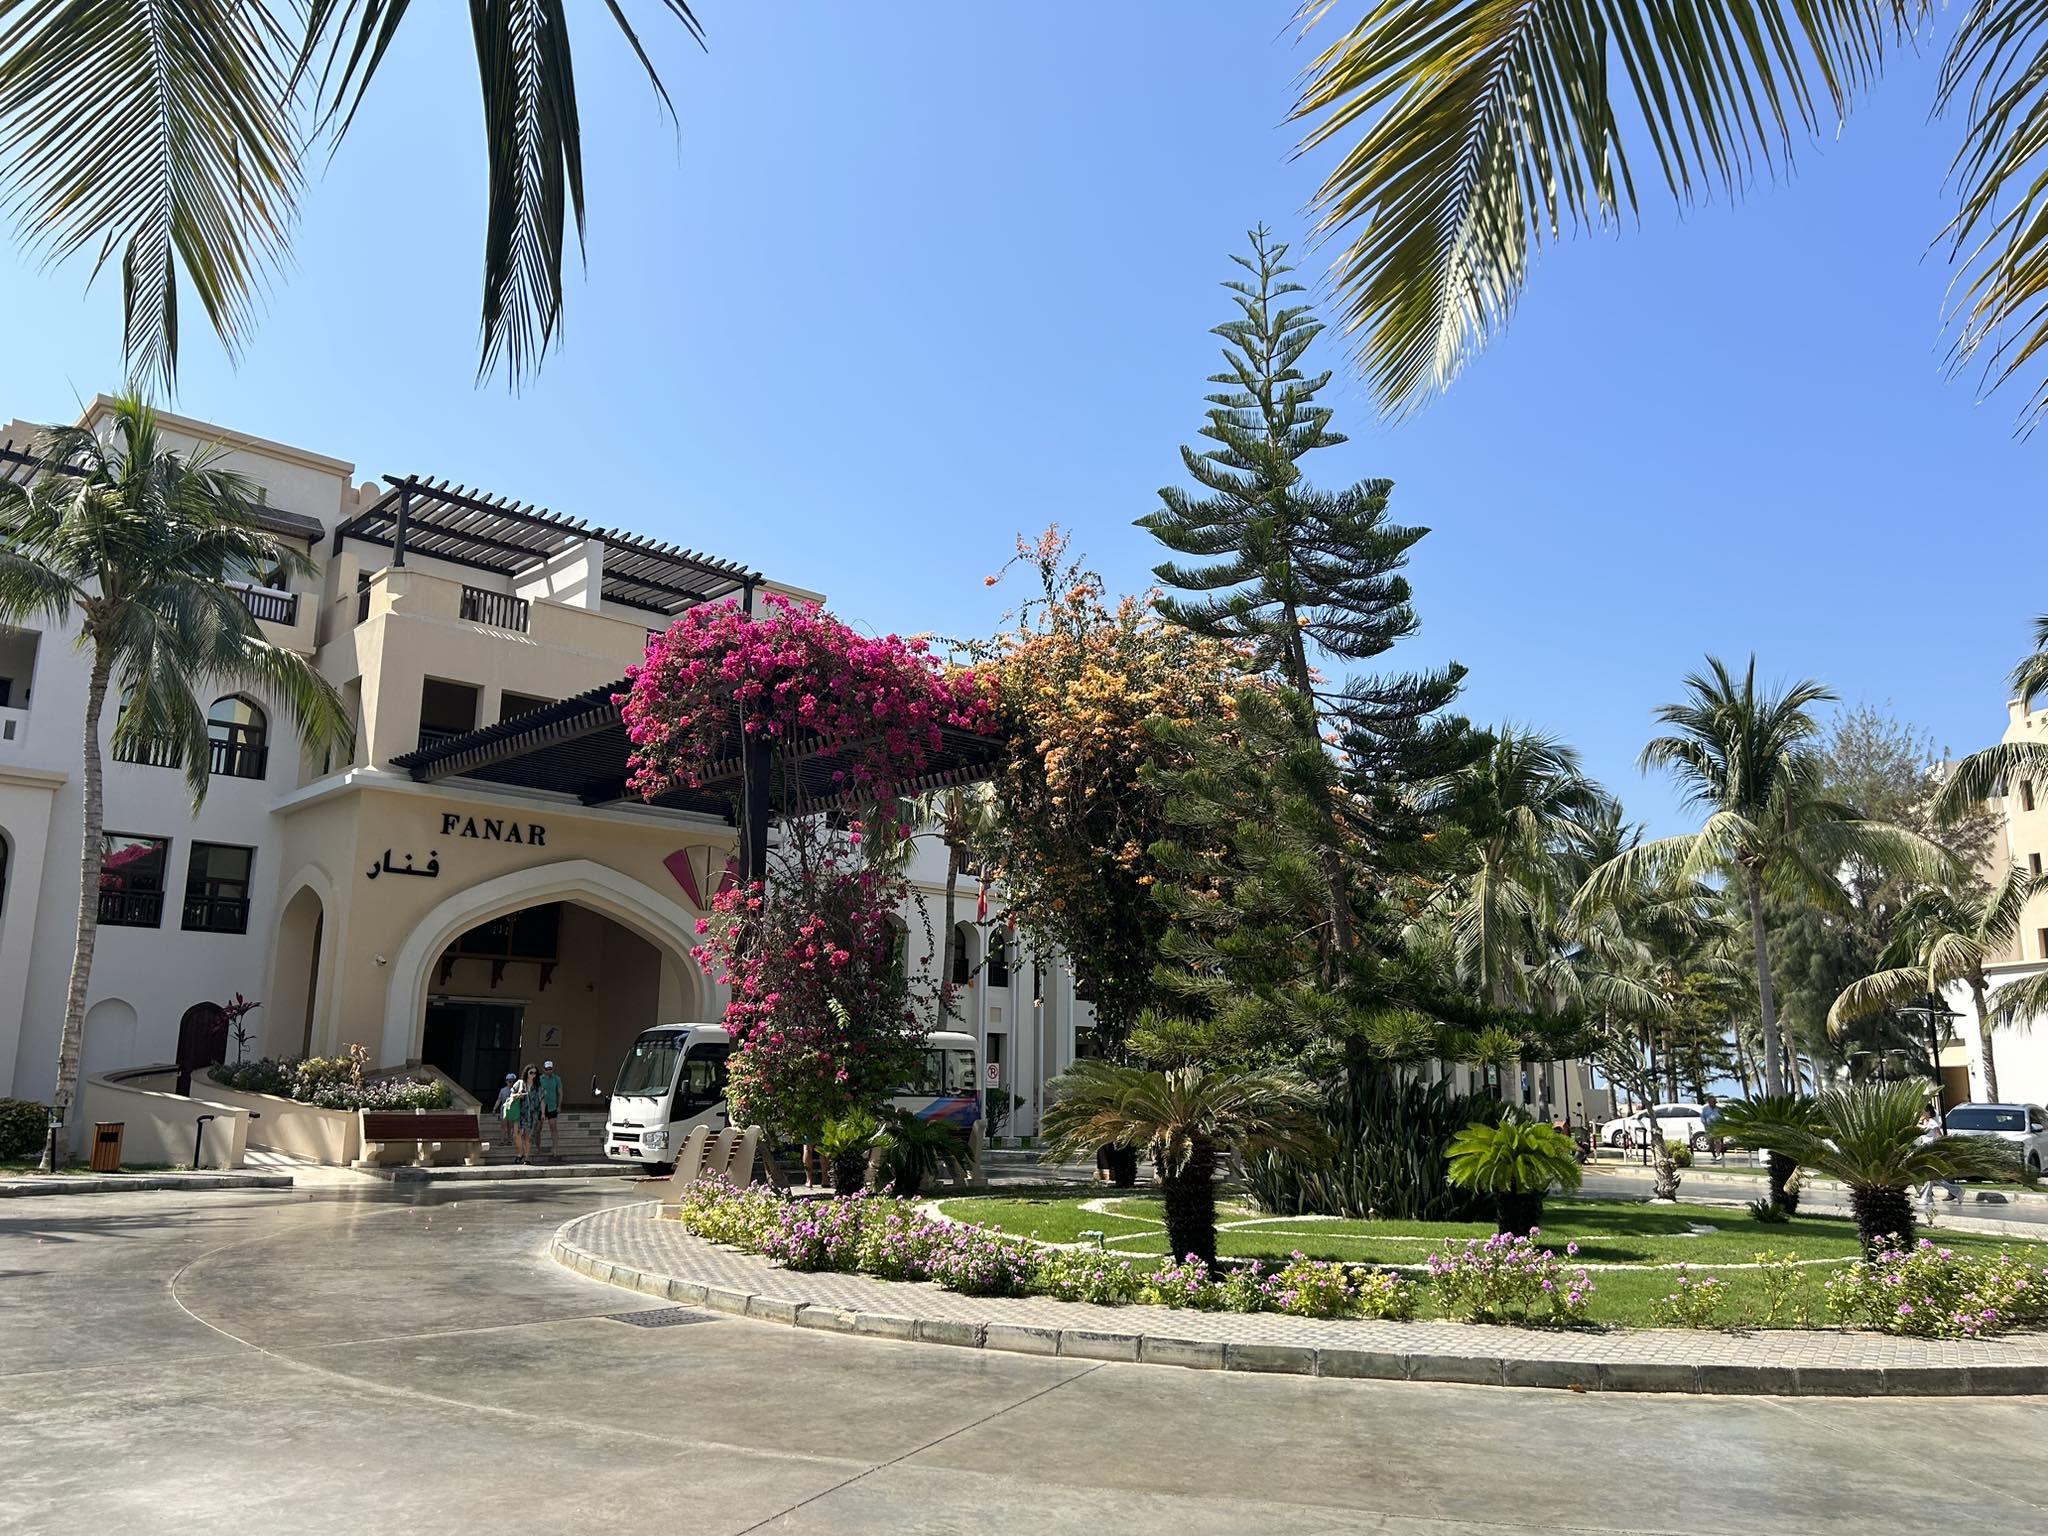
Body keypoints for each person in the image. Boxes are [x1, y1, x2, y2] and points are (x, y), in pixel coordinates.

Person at [1918, 1103, 1961, 1214]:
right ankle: (1956, 1190)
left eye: (1923, 1111)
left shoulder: (1933, 1123)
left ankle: (1926, 1197)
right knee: (1932, 1176)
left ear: (1928, 1112)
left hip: (1932, 1151)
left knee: (1930, 1175)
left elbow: (1939, 1136)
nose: (1922, 1113)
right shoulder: (1923, 1122)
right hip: (1924, 1150)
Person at [538, 1059, 564, 1161]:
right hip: (541, 1106)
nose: (549, 1070)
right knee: (538, 1128)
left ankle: (555, 1149)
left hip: (552, 1106)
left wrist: (559, 1105)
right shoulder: (540, 1079)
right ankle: (538, 1148)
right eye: (547, 1069)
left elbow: (560, 1092)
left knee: (553, 1127)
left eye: (550, 1069)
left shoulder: (556, 1079)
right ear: (543, 1069)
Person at [1700, 1094, 1724, 1164]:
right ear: (1709, 1102)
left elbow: (1722, 1118)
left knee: (1718, 1141)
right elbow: (1702, 1118)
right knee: (1710, 1143)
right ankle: (1713, 1155)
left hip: (1717, 1128)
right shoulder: (1705, 1109)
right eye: (1711, 1102)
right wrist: (1705, 1124)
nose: (1712, 1103)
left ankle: (1718, 1154)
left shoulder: (1719, 1109)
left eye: (1714, 1102)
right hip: (1709, 1128)